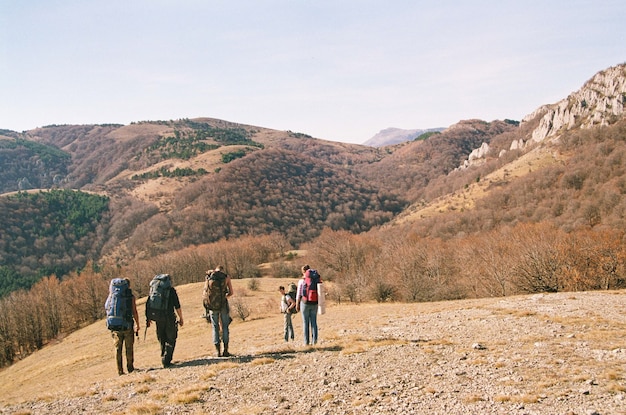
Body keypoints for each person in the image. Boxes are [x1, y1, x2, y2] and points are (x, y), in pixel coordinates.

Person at [146, 274, 184, 368]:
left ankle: (163, 357)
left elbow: (149, 303)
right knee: (171, 338)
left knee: (161, 337)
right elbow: (177, 305)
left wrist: (148, 318)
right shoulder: (171, 290)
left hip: (158, 317)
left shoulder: (155, 289)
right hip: (169, 317)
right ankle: (166, 360)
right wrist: (181, 318)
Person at [110, 279, 140, 375]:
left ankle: (120, 371)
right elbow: (134, 311)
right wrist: (137, 324)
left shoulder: (112, 296)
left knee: (117, 348)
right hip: (127, 325)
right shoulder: (130, 297)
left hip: (115, 326)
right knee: (129, 347)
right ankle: (130, 368)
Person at [204, 265, 234, 357]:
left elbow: (205, 292)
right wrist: (225, 297)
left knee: (215, 327)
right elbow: (231, 292)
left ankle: (217, 351)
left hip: (212, 306)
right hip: (223, 304)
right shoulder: (226, 277)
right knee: (225, 326)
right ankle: (225, 350)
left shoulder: (209, 277)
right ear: (222, 270)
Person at [296, 265, 322, 346]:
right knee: (314, 322)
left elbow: (298, 294)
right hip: (314, 303)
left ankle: (306, 342)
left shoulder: (301, 281)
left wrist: (297, 305)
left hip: (305, 303)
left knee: (305, 323)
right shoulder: (315, 280)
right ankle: (315, 342)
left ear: (304, 272)